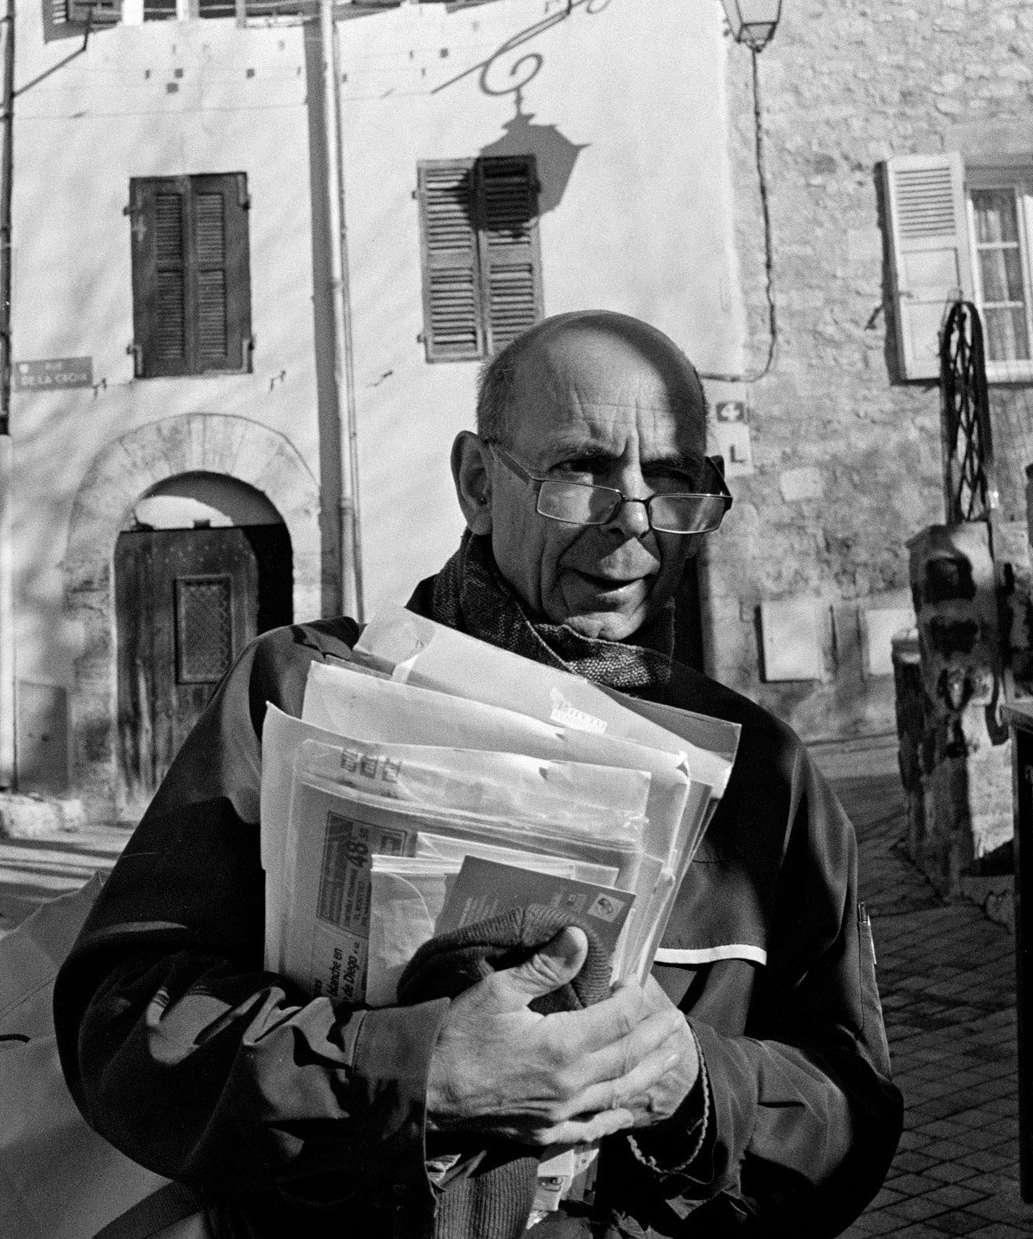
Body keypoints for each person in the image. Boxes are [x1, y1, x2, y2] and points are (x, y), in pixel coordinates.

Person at [54, 311, 903, 1238]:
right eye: (582, 470)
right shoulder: (301, 689)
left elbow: (851, 1112)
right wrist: (415, 1071)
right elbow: (125, 1028)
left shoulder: (765, 778)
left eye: (671, 481)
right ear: (475, 481)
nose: (632, 524)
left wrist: (696, 1084)